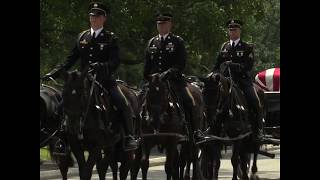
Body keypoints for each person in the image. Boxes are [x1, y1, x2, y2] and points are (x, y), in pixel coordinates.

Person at [43, 2, 137, 151]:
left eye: (97, 16)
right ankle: (60, 138)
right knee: (61, 106)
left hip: (105, 80)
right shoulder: (82, 36)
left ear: (104, 18)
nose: (94, 18)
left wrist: (101, 66)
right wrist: (53, 72)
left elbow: (115, 61)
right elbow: (70, 59)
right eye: (92, 15)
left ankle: (129, 137)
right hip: (83, 81)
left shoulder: (110, 38)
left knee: (123, 103)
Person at [143, 11, 205, 143]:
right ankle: (137, 134)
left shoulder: (177, 41)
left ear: (170, 24)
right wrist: (148, 77)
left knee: (189, 101)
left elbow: (181, 63)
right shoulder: (151, 42)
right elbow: (147, 65)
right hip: (155, 82)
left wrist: (169, 72)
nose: (161, 26)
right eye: (159, 24)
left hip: (174, 81)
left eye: (164, 24)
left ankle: (195, 132)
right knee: (138, 101)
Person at [212, 19, 263, 141]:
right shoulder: (224, 46)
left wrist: (234, 65)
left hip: (242, 81)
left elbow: (248, 66)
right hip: (226, 80)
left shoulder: (247, 47)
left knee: (254, 101)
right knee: (211, 98)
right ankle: (213, 128)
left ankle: (258, 130)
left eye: (235, 29)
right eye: (230, 30)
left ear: (239, 31)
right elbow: (217, 64)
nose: (232, 32)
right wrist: (214, 73)